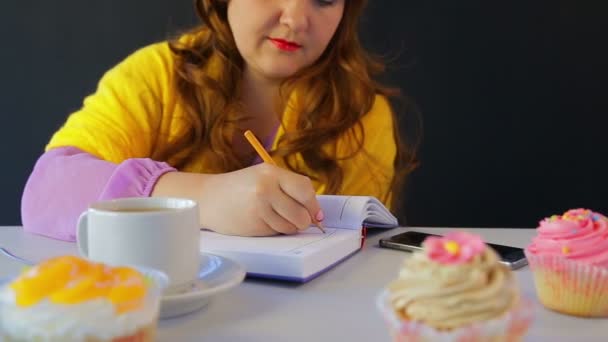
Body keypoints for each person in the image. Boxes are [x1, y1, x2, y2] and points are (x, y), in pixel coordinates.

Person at [21, 0, 417, 242]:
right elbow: (46, 191)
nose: (296, 18)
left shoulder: (362, 114)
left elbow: (353, 262)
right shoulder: (154, 77)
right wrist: (202, 199)